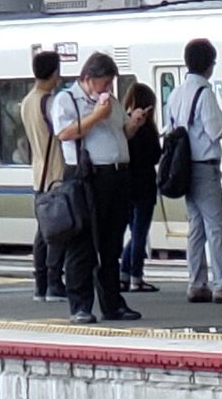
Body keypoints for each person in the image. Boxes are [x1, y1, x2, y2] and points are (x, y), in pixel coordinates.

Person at [51, 52, 149, 324]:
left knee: (111, 243)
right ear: (87, 79)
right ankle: (80, 305)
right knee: (83, 244)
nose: (107, 88)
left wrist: (133, 124)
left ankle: (112, 303)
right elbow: (65, 133)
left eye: (110, 83)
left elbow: (120, 132)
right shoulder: (67, 100)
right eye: (104, 83)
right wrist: (95, 115)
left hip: (117, 175)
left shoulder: (112, 102)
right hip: (87, 177)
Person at [164, 38, 222, 304]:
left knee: (196, 227)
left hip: (184, 167)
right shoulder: (204, 93)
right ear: (209, 65)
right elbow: (214, 130)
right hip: (204, 166)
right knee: (216, 226)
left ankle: (196, 283)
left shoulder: (176, 94)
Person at [19, 51, 65, 300]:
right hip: (56, 172)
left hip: (39, 172)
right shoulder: (49, 102)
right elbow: (62, 133)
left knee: (43, 232)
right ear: (54, 73)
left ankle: (41, 284)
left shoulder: (27, 101)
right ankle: (54, 283)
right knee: (59, 229)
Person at [119, 81, 160, 294]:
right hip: (144, 184)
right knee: (140, 233)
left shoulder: (123, 124)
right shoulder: (146, 128)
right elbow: (154, 155)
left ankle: (124, 275)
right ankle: (136, 277)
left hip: (127, 184)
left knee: (134, 233)